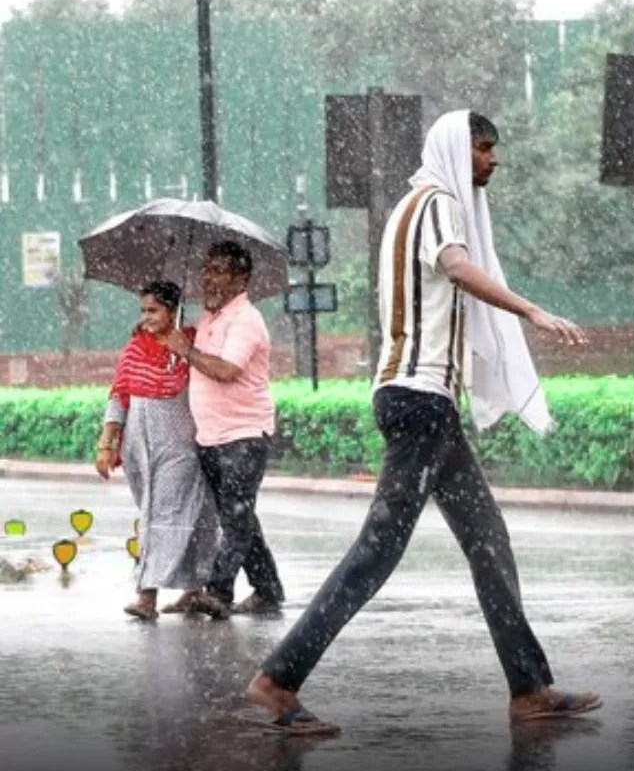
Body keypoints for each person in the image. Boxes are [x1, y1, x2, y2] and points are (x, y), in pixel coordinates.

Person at [245, 110, 601, 736]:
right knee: (378, 551)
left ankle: (529, 687)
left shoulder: (415, 207)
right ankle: (279, 678)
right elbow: (459, 267)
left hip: (427, 403)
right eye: (484, 149)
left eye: (494, 150)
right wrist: (530, 311)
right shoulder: (435, 201)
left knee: (488, 541)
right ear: (455, 150)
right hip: (419, 401)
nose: (493, 161)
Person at [164, 241, 285, 618]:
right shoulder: (207, 320)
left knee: (236, 515)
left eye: (218, 271)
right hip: (210, 437)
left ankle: (218, 593)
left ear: (240, 278)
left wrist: (187, 351)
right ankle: (267, 590)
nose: (208, 278)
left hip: (243, 435)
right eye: (206, 270)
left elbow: (227, 370)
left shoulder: (246, 319)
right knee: (239, 515)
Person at [95, 281, 219, 621]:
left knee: (161, 517)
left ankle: (145, 595)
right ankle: (194, 590)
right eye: (143, 310)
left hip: (179, 447)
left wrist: (183, 351)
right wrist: (106, 443)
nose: (146, 317)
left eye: (154, 310)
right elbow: (119, 396)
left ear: (173, 311)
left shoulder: (192, 345)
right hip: (138, 449)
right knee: (167, 515)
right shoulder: (135, 348)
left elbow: (214, 383)